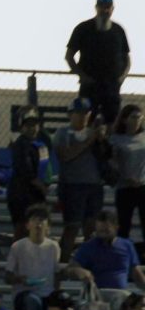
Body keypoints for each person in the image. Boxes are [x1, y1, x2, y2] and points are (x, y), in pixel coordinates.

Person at [53, 99, 110, 261]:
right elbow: (65, 155)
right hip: (72, 185)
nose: (82, 117)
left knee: (91, 227)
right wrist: (89, 140)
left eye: (85, 113)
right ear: (70, 115)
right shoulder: (63, 133)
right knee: (72, 226)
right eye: (78, 113)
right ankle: (63, 262)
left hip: (94, 185)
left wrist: (102, 140)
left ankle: (89, 261)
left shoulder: (95, 133)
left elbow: (108, 156)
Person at [65, 0, 131, 125]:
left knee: (113, 121)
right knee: (85, 120)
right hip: (90, 85)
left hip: (112, 86)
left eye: (108, 7)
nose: (105, 10)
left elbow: (127, 58)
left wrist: (122, 77)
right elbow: (69, 56)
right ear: (96, 8)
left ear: (112, 8)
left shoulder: (118, 31)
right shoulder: (83, 28)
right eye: (102, 7)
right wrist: (82, 75)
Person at [5, 205, 61, 310]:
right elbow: (7, 276)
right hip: (24, 293)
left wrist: (56, 293)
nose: (38, 224)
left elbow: (56, 273)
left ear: (48, 227)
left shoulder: (53, 246)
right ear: (28, 225)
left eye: (42, 220)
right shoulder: (18, 246)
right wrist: (19, 279)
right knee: (32, 302)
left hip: (47, 293)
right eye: (35, 220)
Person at [67, 206, 145, 297]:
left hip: (120, 295)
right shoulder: (88, 246)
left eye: (106, 231)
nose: (102, 234)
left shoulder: (127, 245)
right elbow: (70, 269)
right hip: (97, 295)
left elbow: (136, 274)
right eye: (100, 231)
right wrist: (79, 271)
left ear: (116, 227)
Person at [6, 110, 51, 238]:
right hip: (21, 194)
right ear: (22, 128)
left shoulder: (39, 144)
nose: (32, 129)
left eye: (35, 125)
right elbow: (26, 172)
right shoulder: (21, 145)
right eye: (28, 125)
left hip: (34, 193)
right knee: (23, 227)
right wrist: (41, 186)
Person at [111, 103, 145, 241]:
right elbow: (113, 163)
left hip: (143, 185)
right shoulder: (116, 139)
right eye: (133, 117)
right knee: (124, 225)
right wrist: (125, 177)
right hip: (125, 186)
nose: (137, 120)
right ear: (125, 119)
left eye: (139, 117)